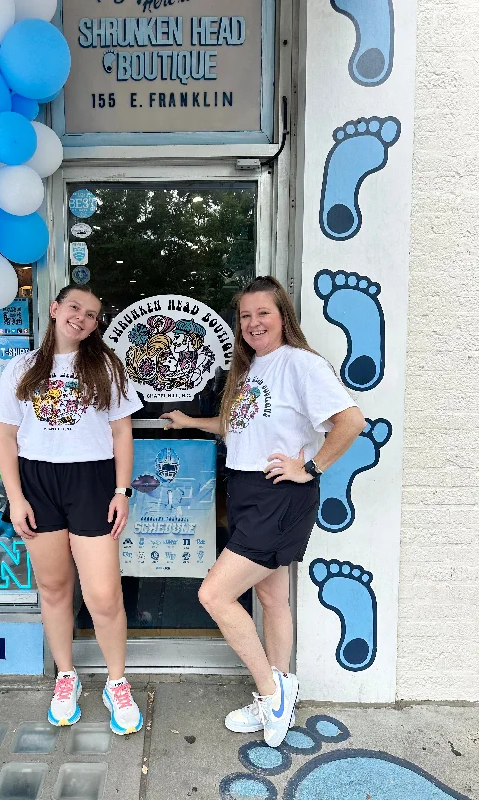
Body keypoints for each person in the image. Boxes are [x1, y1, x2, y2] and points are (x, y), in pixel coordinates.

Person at [161, 276, 366, 748]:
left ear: (283, 318)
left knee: (214, 595)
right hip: (249, 489)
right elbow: (239, 428)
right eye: (246, 316)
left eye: (263, 314)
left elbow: (351, 421)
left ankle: (271, 693)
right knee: (272, 599)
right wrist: (194, 421)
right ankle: (281, 687)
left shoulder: (301, 364)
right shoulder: (251, 369)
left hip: (279, 495)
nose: (253, 323)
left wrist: (311, 467)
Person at [0, 285, 144, 733]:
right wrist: (15, 499)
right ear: (55, 309)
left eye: (92, 314)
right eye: (75, 307)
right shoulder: (21, 367)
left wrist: (121, 491)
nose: (82, 318)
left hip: (92, 482)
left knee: (104, 596)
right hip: (38, 483)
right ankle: (66, 676)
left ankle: (116, 683)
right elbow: (5, 439)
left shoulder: (105, 366)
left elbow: (121, 436)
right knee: (54, 588)